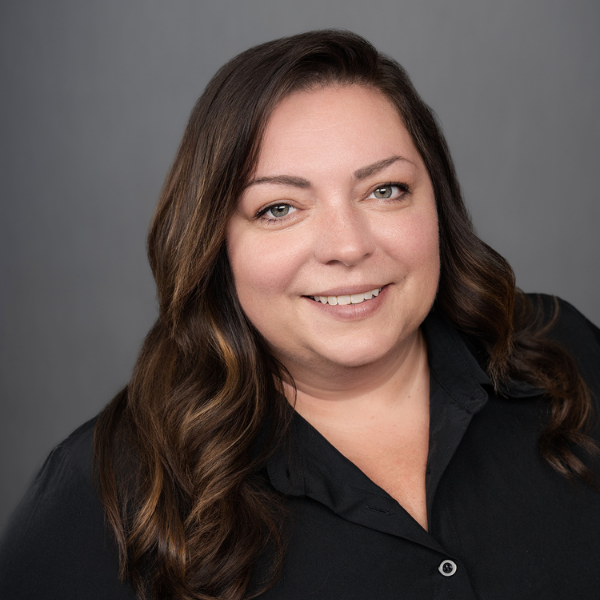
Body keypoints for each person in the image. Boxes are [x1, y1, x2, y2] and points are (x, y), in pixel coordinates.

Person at [1, 29, 599, 600]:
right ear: (215, 243)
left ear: (437, 203)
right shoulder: (112, 487)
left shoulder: (562, 349)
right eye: (280, 207)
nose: (347, 245)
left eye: (385, 190)